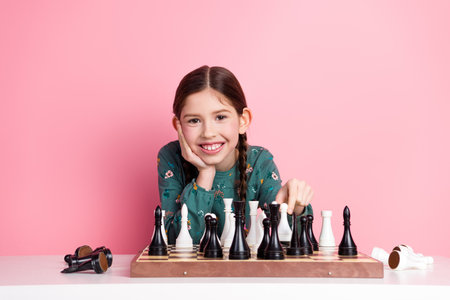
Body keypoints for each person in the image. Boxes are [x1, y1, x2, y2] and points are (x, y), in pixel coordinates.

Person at [158, 65, 314, 244]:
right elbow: (172, 239)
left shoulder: (258, 162)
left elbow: (287, 237)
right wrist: (206, 174)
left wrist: (297, 207)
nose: (208, 132)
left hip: (241, 270)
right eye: (194, 120)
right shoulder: (171, 158)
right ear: (178, 126)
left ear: (243, 120)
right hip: (187, 272)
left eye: (220, 117)